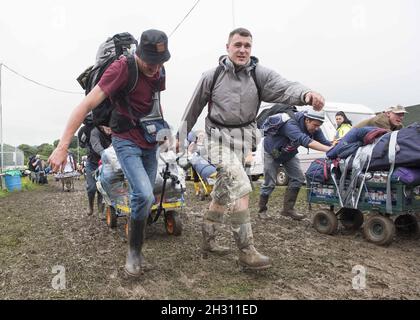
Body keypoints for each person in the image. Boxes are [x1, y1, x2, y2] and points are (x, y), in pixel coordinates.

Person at [178, 27, 325, 270]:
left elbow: (284, 86)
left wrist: (306, 94)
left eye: (247, 46)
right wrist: (180, 138)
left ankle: (208, 240)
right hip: (216, 139)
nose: (243, 50)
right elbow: (192, 108)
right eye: (238, 45)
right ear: (227, 47)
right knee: (242, 186)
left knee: (223, 193)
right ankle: (246, 250)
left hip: (242, 140)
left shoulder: (259, 75)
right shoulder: (211, 76)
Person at [49, 29, 171, 277]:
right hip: (125, 139)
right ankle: (134, 255)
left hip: (149, 140)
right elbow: (85, 105)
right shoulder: (121, 69)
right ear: (137, 54)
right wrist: (63, 146)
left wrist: (164, 132)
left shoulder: (159, 70)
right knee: (144, 194)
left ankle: (135, 250)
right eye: (150, 61)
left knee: (144, 200)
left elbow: (155, 103)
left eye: (159, 62)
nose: (155, 67)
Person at [258, 110, 332, 220]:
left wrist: (337, 147)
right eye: (315, 125)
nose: (317, 128)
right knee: (270, 183)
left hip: (289, 153)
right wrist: (330, 149)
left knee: (298, 178)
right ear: (307, 120)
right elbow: (305, 140)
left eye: (319, 126)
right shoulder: (290, 124)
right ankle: (262, 210)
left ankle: (288, 210)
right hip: (271, 152)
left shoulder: (315, 128)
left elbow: (325, 142)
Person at [85, 125, 112, 216]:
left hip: (105, 164)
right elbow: (96, 145)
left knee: (102, 188)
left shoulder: (114, 131)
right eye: (106, 126)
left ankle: (101, 211)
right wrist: (106, 153)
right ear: (101, 126)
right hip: (92, 163)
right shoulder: (95, 132)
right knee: (92, 188)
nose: (109, 128)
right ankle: (90, 205)